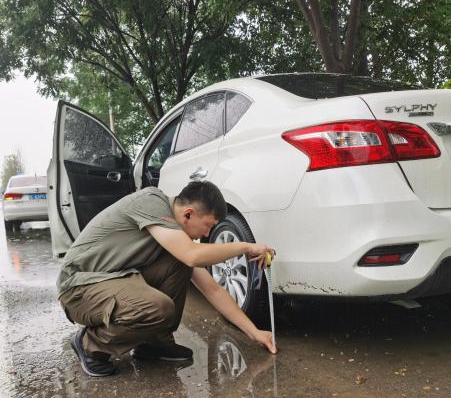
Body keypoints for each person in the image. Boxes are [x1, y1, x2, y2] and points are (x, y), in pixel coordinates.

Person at [57, 181, 277, 377]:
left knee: (179, 263)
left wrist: (254, 332)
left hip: (114, 279)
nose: (205, 235)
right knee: (158, 307)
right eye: (208, 226)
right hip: (79, 288)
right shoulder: (151, 203)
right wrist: (245, 247)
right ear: (188, 214)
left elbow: (213, 289)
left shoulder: (171, 231)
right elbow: (192, 254)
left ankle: (155, 343)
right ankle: (90, 345)